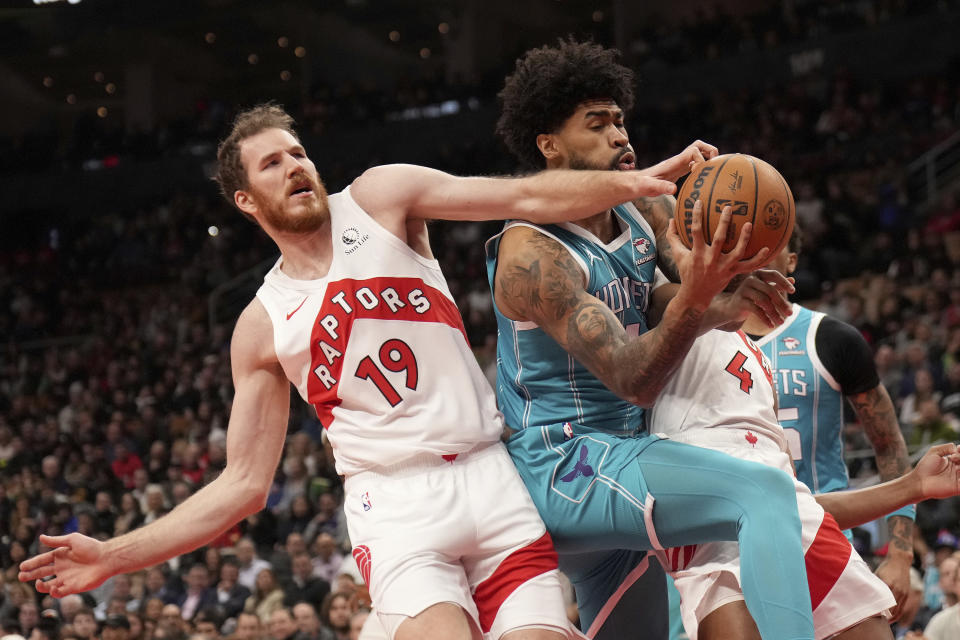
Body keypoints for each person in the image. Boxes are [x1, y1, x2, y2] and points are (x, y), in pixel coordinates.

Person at [19, 103, 691, 640]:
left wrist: (635, 184)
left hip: (492, 478)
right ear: (246, 201)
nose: (293, 166)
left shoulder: (379, 199)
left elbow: (523, 195)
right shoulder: (261, 324)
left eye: (298, 153)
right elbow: (244, 486)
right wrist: (114, 555)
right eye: (271, 164)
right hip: (397, 507)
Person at [489, 38, 814, 640]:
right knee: (762, 494)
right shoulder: (531, 252)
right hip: (567, 463)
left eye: (620, 119)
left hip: (625, 459)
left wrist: (728, 296)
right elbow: (635, 378)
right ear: (549, 144)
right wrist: (701, 303)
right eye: (597, 124)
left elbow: (666, 300)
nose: (620, 135)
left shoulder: (642, 213)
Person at [647, 321, 960, 639]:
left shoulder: (762, 359)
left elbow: (792, 502)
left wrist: (913, 487)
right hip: (710, 533)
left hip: (794, 524)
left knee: (870, 629)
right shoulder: (657, 301)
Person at [741, 227, 918, 618]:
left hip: (827, 533)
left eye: (771, 243)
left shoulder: (831, 338)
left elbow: (888, 445)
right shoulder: (705, 341)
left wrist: (901, 556)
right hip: (740, 543)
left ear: (792, 260)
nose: (757, 253)